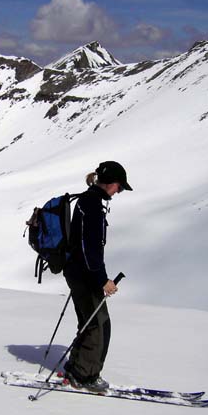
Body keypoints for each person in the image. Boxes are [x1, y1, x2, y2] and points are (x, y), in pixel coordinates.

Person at [63, 160, 132, 392]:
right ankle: (84, 376)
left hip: (76, 271)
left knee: (88, 321)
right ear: (111, 183)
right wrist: (103, 280)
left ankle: (76, 367)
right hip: (84, 274)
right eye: (120, 187)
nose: (119, 191)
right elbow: (89, 247)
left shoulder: (88, 200)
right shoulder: (92, 204)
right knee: (98, 324)